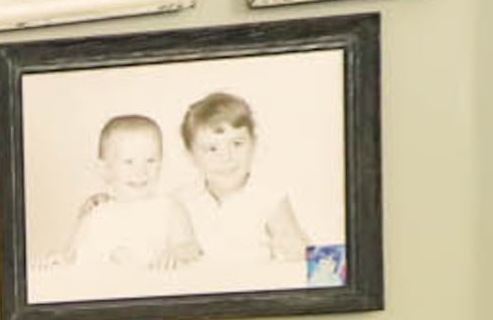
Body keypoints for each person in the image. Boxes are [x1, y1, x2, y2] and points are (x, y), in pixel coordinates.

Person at [176, 91, 315, 276]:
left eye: (237, 143)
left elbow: (293, 240)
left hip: (257, 286)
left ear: (254, 143)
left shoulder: (269, 197)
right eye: (212, 148)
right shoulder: (180, 200)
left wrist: (294, 245)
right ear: (191, 155)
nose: (226, 157)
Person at [57, 114, 197, 272]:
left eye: (151, 161)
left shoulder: (169, 207)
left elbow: (190, 247)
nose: (141, 171)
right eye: (128, 162)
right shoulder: (96, 212)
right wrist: (57, 259)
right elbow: (70, 255)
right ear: (105, 169)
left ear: (161, 163)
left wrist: (175, 254)